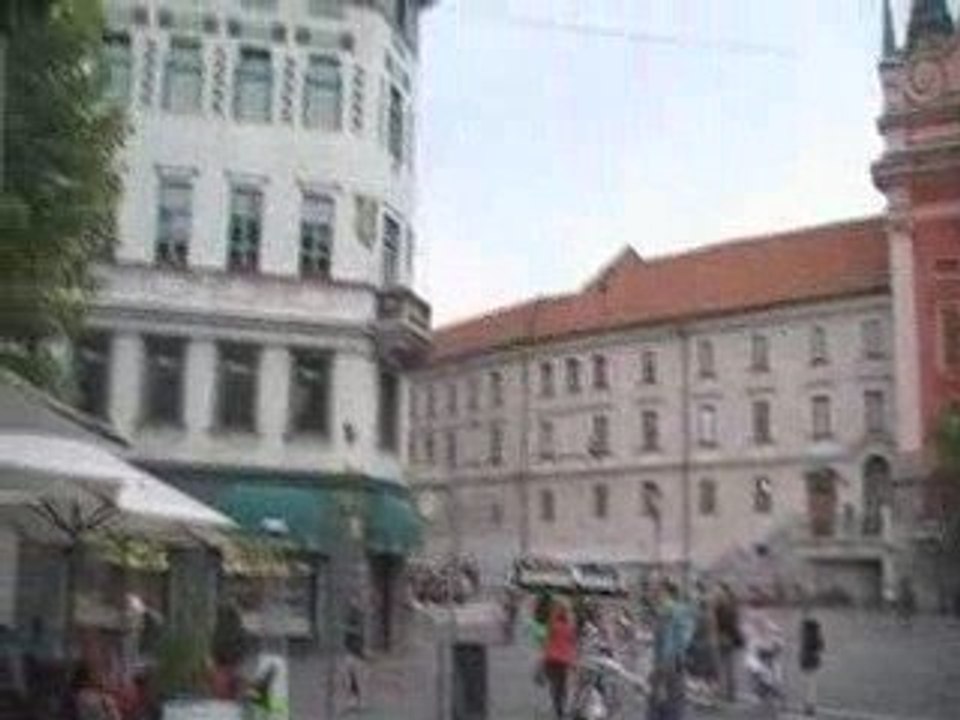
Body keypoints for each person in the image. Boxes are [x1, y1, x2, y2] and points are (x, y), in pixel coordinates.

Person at [647, 580, 693, 720]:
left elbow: (668, 641)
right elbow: (684, 639)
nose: (654, 593)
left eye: (657, 590)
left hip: (668, 664)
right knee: (673, 702)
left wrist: (661, 667)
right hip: (676, 662)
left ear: (665, 592)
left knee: (662, 702)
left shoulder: (668, 610)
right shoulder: (681, 610)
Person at [542, 601, 577, 720]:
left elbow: (546, 640)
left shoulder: (552, 625)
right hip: (564, 660)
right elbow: (572, 643)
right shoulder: (570, 627)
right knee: (563, 686)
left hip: (551, 659)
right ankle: (562, 707)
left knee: (554, 685)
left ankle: (558, 709)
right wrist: (573, 660)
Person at [713, 583, 743, 703]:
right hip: (725, 637)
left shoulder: (727, 606)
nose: (716, 593)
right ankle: (727, 692)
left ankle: (728, 693)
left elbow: (730, 624)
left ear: (725, 592)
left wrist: (725, 636)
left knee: (725, 666)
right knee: (726, 666)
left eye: (719, 591)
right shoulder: (727, 605)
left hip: (725, 638)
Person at [798, 602, 824, 717]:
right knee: (811, 684)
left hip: (806, 658)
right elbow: (820, 645)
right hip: (812, 658)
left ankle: (808, 705)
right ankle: (810, 706)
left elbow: (806, 644)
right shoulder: (814, 629)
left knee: (807, 683)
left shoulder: (805, 629)